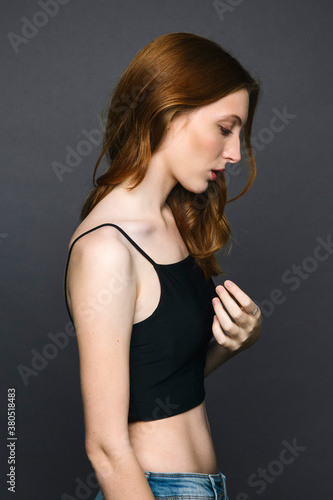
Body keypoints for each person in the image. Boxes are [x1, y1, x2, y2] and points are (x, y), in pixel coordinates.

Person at [63, 32, 262, 500]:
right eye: (225, 128)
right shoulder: (106, 250)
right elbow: (106, 448)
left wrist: (236, 342)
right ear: (172, 112)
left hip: (202, 488)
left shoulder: (175, 219)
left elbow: (159, 383)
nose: (234, 153)